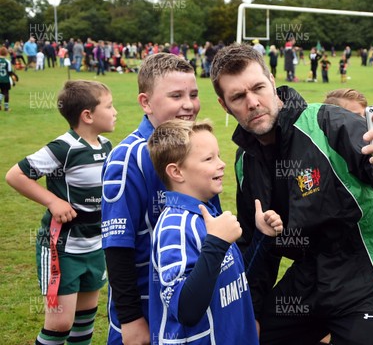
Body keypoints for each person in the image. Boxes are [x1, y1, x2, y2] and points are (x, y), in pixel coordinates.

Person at [209, 43, 373, 345]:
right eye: (238, 96)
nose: (252, 103)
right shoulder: (245, 162)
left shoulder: (328, 123)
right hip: (311, 275)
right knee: (255, 335)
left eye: (258, 88)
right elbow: (256, 246)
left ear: (272, 82)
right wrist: (251, 314)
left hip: (371, 269)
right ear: (225, 105)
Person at [101, 52, 220, 345]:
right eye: (176, 96)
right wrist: (130, 319)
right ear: (146, 102)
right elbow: (117, 244)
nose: (189, 105)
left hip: (185, 303)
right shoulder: (129, 157)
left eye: (193, 94)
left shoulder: (193, 147)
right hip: (144, 310)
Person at [146, 119, 283, 344]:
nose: (221, 164)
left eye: (218, 155)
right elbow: (186, 310)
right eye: (209, 159)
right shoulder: (175, 227)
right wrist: (217, 244)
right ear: (176, 171)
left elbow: (236, 278)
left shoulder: (206, 214)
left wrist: (262, 237)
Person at [6, 80, 117, 345]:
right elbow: (15, 175)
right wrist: (53, 201)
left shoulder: (106, 146)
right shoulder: (63, 148)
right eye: (110, 106)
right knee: (59, 324)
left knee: (85, 318)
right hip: (62, 249)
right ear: (87, 115)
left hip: (95, 246)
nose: (115, 112)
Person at [0, 47, 15, 111]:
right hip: (5, 80)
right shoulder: (7, 61)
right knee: (6, 92)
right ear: (6, 54)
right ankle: (6, 108)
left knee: (1, 92)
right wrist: (14, 78)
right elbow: (9, 72)